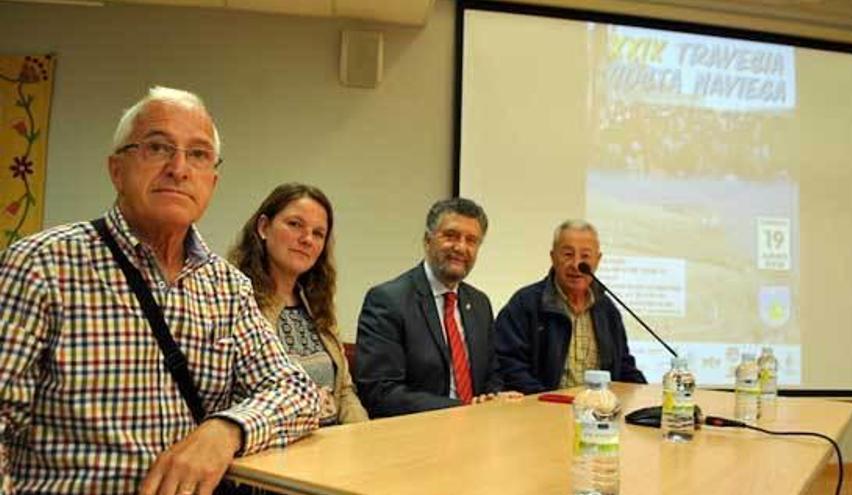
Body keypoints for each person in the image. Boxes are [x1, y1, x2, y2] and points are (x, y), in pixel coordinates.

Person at [0, 86, 320, 494]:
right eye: (157, 147)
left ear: (212, 181)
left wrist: (226, 429)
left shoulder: (225, 287)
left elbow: (297, 391)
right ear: (117, 169)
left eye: (199, 154)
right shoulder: (41, 265)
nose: (179, 168)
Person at [355, 198, 521, 418]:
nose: (461, 247)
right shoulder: (387, 301)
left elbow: (492, 374)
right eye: (451, 236)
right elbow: (381, 392)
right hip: (417, 434)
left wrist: (492, 398)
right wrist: (461, 409)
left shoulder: (480, 303)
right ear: (427, 240)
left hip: (479, 429)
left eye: (471, 240)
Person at [229, 183, 368, 425]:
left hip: (333, 449)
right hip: (270, 451)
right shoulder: (235, 302)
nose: (306, 239)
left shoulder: (319, 304)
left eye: (318, 233)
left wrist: (364, 440)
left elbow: (345, 392)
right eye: (295, 225)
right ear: (263, 227)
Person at [495, 220, 646, 394]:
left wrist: (646, 395)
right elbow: (509, 364)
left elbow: (623, 366)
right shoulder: (525, 303)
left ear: (598, 260)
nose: (576, 264)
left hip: (598, 413)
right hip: (542, 411)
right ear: (553, 257)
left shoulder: (607, 309)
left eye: (585, 256)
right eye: (567, 254)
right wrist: (545, 403)